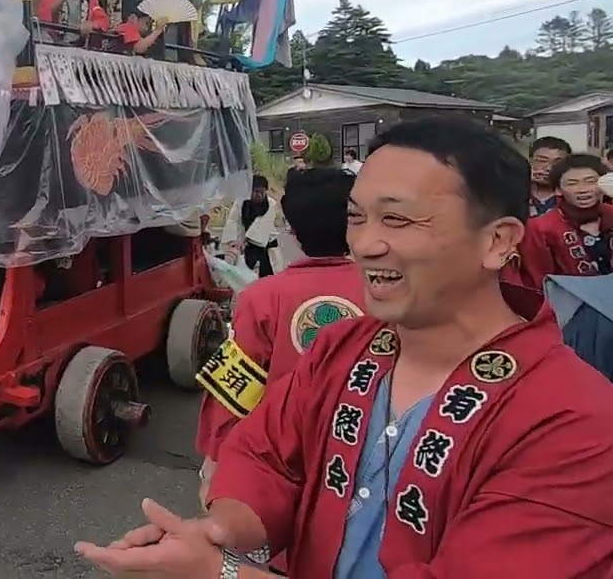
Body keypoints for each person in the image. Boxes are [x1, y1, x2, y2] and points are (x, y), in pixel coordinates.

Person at [75, 116, 613, 578]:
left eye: (398, 219)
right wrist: (224, 528)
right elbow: (266, 455)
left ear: (498, 241)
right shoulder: (343, 347)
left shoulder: (578, 419)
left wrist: (224, 571)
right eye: (357, 217)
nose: (366, 243)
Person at [195, 169, 364, 516]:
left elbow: (234, 387)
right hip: (363, 452)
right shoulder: (385, 291)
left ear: (291, 230)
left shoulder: (261, 297)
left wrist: (216, 460)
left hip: (282, 457)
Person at [518, 153, 613, 289]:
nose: (583, 190)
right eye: (572, 183)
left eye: (591, 181)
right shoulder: (540, 228)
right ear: (558, 190)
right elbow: (540, 279)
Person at [221, 176, 282, 277]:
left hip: (265, 245)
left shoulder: (271, 204)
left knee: (268, 275)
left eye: (262, 192)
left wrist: (243, 240)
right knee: (245, 275)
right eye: (256, 191)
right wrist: (233, 241)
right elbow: (233, 221)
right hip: (247, 246)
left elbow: (260, 225)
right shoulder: (241, 202)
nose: (259, 195)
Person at [527, 136, 571, 218]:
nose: (549, 168)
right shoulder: (518, 190)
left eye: (558, 162)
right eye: (542, 161)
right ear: (530, 161)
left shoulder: (570, 195)